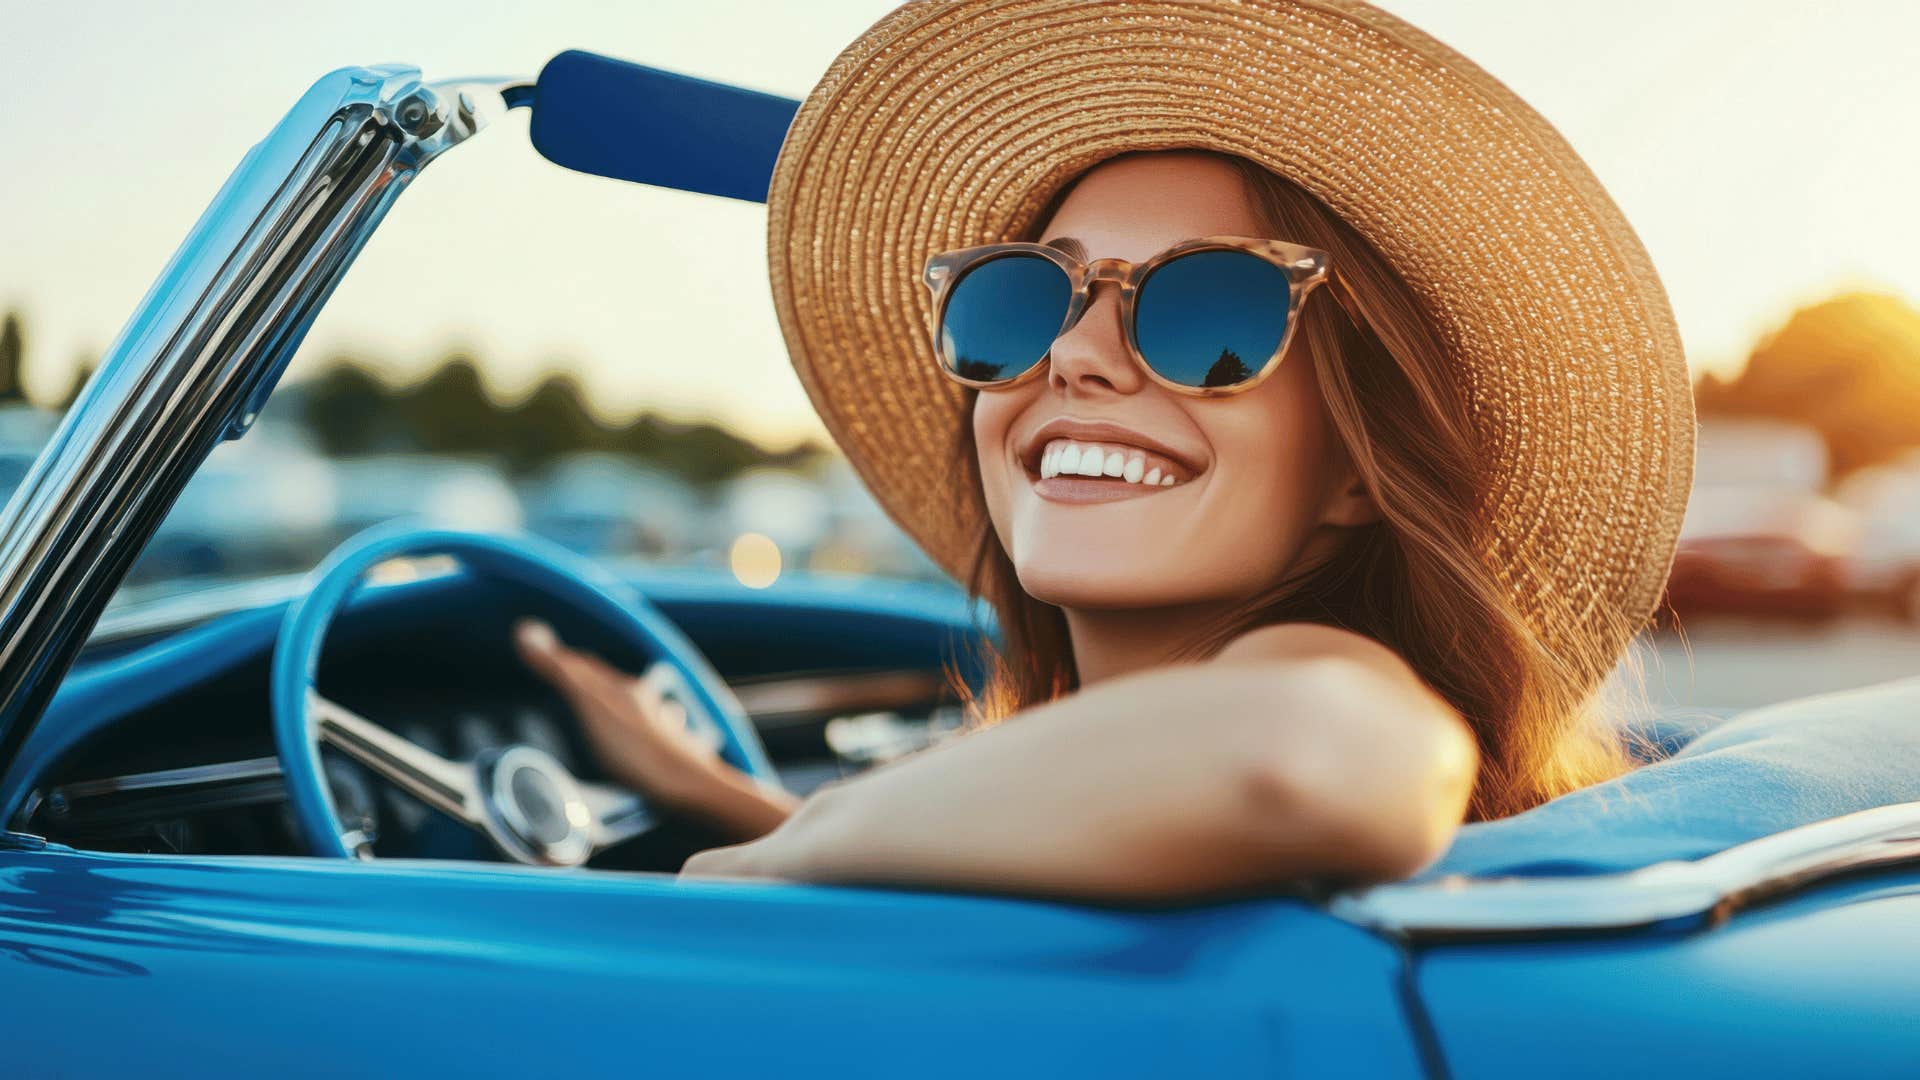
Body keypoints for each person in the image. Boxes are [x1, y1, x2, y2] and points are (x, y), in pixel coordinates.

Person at [514, 0, 1695, 903]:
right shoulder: (1134, 755)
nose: (1077, 356)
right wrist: (714, 795)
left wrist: (763, 866)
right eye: (1024, 299)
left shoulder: (1325, 675)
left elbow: (1301, 753)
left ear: (1353, 469)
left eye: (1210, 313)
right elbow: (1064, 819)